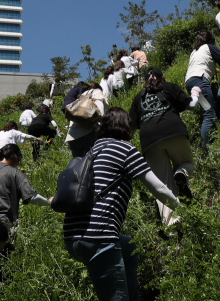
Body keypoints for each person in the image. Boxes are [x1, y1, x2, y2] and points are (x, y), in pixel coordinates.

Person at [63, 108, 180, 301]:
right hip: (98, 237)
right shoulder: (123, 149)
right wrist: (184, 209)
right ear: (125, 126)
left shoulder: (90, 152)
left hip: (73, 236)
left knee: (129, 248)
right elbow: (158, 187)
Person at [129, 68, 200, 226]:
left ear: (145, 81)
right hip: (173, 131)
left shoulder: (137, 98)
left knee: (162, 184)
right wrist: (195, 93)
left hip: (149, 140)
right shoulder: (169, 87)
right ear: (162, 78)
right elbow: (191, 106)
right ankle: (182, 173)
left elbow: (131, 129)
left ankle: (172, 225)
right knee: (187, 164)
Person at [184, 31, 220, 147]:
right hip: (200, 81)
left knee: (219, 98)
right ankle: (206, 149)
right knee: (208, 115)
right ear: (210, 41)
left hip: (190, 83)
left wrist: (212, 70)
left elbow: (201, 64)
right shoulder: (209, 47)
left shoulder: (194, 51)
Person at [65, 85, 108, 158]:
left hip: (73, 137)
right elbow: (101, 112)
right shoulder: (97, 91)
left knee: (79, 165)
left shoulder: (81, 97)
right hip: (89, 135)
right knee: (93, 164)